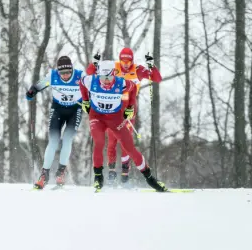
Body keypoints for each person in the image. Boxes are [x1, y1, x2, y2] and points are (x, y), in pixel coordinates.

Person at [79, 60, 167, 192]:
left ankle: (150, 178)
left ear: (114, 74)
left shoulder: (121, 83)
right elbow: (81, 83)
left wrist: (130, 107)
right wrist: (85, 100)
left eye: (108, 77)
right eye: (102, 77)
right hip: (97, 117)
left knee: (129, 148)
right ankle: (98, 176)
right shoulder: (91, 80)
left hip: (115, 118)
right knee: (99, 142)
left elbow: (133, 88)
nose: (105, 81)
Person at [26, 56, 85, 189]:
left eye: (68, 73)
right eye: (62, 73)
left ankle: (61, 172)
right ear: (58, 72)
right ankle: (44, 174)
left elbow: (94, 85)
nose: (65, 76)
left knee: (67, 139)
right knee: (53, 141)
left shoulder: (80, 76)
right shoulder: (53, 76)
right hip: (58, 109)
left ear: (72, 70)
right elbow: (38, 85)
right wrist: (32, 91)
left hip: (75, 110)